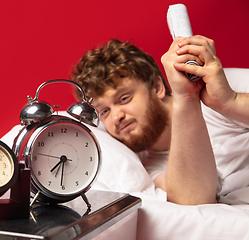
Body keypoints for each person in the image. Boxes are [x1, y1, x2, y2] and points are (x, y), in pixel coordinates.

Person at [71, 35, 249, 205]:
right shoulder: (152, 169)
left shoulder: (222, 84)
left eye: (124, 99)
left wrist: (230, 101)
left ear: (157, 87)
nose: (117, 117)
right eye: (105, 111)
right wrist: (185, 98)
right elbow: (194, 201)